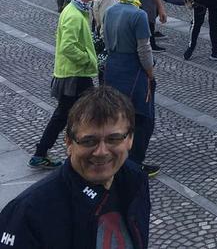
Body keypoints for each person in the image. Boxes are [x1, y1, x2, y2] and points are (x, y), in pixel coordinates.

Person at [0, 86, 151, 248]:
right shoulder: (28, 212)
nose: (101, 152)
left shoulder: (136, 180)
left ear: (130, 139)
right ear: (69, 142)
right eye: (88, 141)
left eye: (114, 139)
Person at [29, 0, 100, 169]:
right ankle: (78, 151)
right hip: (75, 75)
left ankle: (45, 152)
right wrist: (87, 59)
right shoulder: (74, 15)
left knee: (68, 115)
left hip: (74, 74)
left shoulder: (76, 10)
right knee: (81, 114)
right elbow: (68, 46)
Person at [102, 0, 159, 177]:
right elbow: (144, 49)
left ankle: (116, 158)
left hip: (113, 65)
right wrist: (150, 73)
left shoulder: (111, 10)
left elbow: (104, 38)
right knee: (143, 118)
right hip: (133, 70)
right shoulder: (138, 14)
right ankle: (133, 163)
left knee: (117, 117)